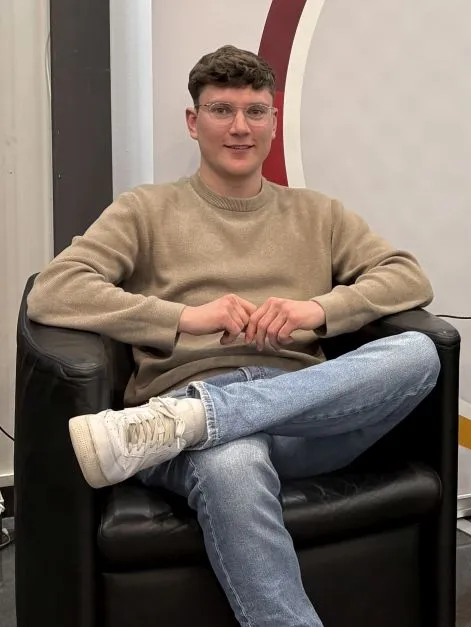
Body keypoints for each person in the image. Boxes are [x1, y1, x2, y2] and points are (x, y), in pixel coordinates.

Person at [26, 45, 439, 627]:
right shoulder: (145, 210)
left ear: (273, 122)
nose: (240, 127)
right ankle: (200, 419)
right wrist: (183, 319)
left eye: (255, 111)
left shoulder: (318, 213)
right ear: (193, 122)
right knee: (232, 459)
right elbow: (54, 290)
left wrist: (315, 310)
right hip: (180, 403)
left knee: (418, 353)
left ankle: (203, 417)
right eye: (222, 110)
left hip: (302, 417)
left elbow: (407, 276)